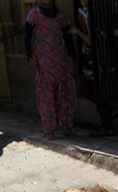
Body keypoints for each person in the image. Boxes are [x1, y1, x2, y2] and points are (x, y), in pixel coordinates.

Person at [24, 0, 81, 140]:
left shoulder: (61, 16)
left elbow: (67, 38)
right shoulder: (34, 15)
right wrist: (29, 56)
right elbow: (27, 36)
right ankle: (49, 130)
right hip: (44, 63)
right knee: (46, 98)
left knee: (65, 96)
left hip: (61, 62)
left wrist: (72, 57)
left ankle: (67, 127)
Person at [74, 0, 116, 136]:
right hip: (90, 56)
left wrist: (78, 33)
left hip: (97, 57)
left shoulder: (94, 13)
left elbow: (92, 41)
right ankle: (107, 119)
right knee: (91, 88)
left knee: (94, 88)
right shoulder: (84, 10)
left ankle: (107, 120)